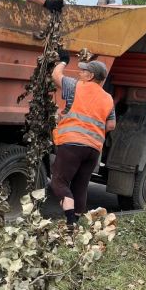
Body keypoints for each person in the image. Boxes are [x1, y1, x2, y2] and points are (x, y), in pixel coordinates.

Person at [50, 54, 116, 228]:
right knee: (81, 185)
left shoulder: (76, 86)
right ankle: (75, 224)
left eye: (83, 70)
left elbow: (56, 76)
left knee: (59, 182)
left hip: (72, 144)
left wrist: (63, 61)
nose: (80, 72)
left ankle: (70, 222)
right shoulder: (108, 98)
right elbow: (111, 125)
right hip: (93, 149)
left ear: (91, 76)